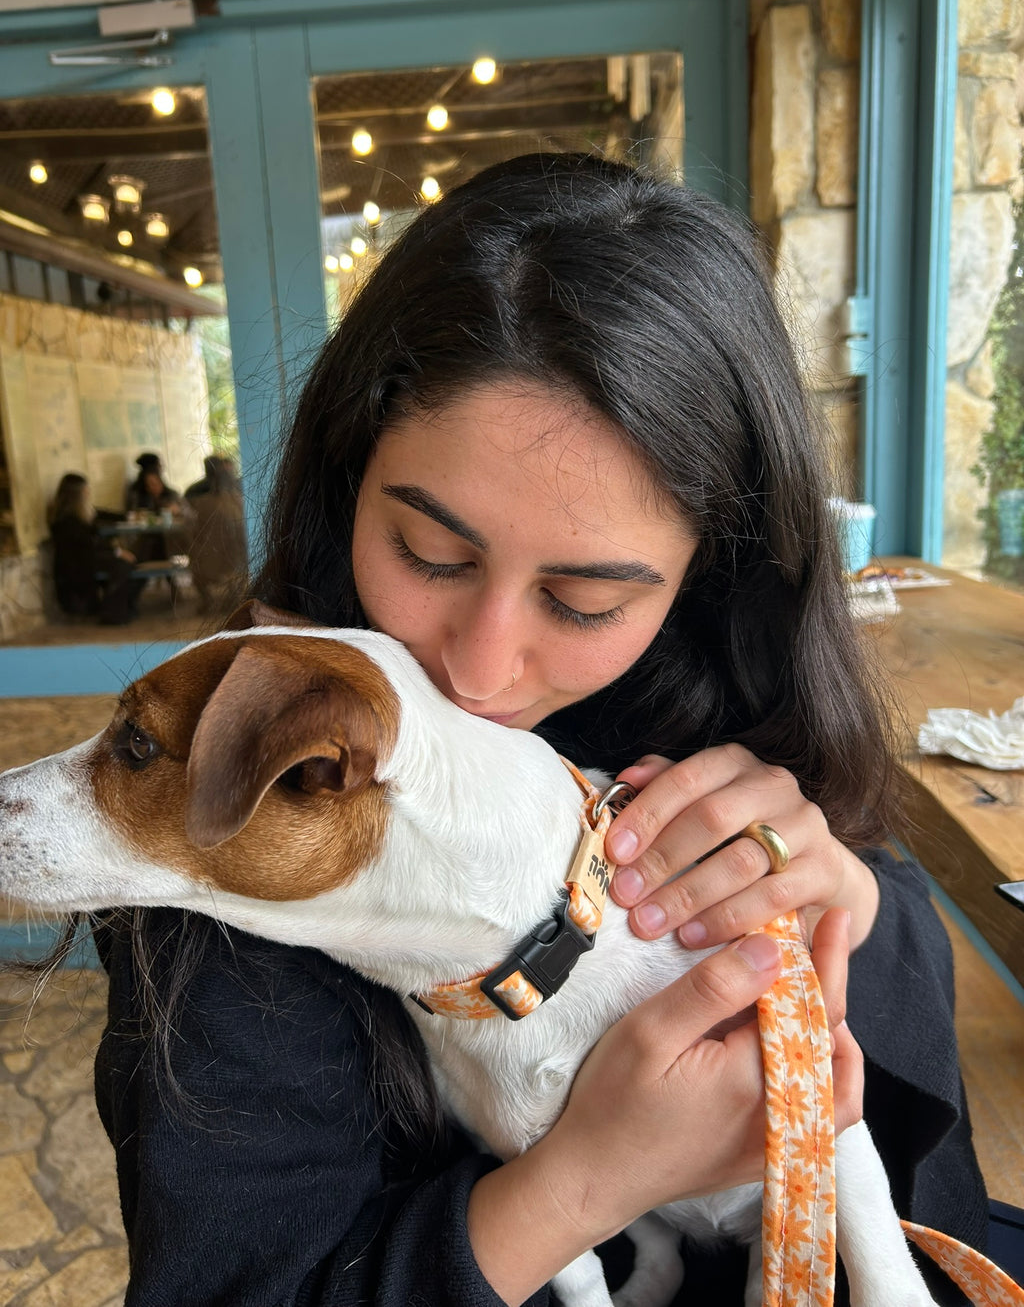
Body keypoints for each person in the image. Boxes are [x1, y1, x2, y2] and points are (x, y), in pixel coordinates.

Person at [92, 153, 987, 1306]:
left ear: (704, 579)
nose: (476, 666)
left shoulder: (728, 712)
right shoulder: (235, 792)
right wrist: (576, 1184)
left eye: (584, 603)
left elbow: (909, 1125)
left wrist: (844, 913)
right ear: (348, 475)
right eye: (429, 553)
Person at [48, 472, 144, 625]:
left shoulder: (80, 512)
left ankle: (122, 608)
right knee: (123, 564)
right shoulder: (66, 520)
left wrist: (129, 517)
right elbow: (87, 546)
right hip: (79, 564)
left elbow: (100, 515)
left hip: (88, 558)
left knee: (130, 561)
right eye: (85, 490)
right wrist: (117, 552)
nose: (88, 493)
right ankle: (113, 613)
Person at [186, 456, 248, 613]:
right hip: (240, 561)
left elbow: (195, 533)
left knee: (194, 557)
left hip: (209, 564)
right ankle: (233, 598)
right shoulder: (242, 501)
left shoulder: (201, 502)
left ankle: (207, 601)